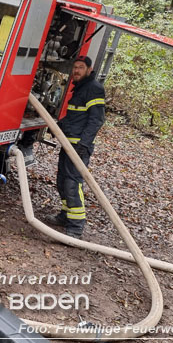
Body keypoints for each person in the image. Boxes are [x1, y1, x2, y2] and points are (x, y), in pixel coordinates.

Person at [45, 55, 106, 238]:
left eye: (80, 67)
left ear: (89, 69)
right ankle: (65, 215)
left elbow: (96, 120)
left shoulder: (94, 89)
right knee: (62, 181)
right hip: (68, 143)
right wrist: (57, 126)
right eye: (75, 67)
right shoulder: (79, 89)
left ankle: (76, 225)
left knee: (72, 183)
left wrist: (83, 144)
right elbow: (74, 118)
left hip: (78, 147)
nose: (76, 71)